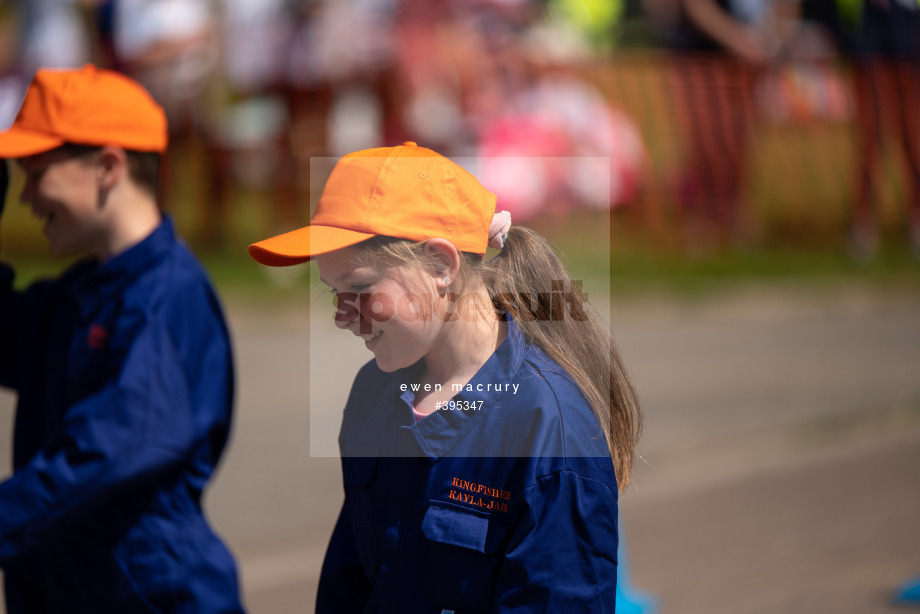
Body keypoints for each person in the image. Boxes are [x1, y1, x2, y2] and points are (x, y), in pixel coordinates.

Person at [248, 140, 642, 613]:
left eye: (359, 288)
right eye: (333, 291)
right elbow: (351, 582)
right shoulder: (375, 392)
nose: (341, 315)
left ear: (441, 265)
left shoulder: (548, 424)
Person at [0, 65, 244, 613]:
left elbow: (100, 455)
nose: (26, 198)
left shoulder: (166, 299)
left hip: (149, 598)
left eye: (35, 173)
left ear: (107, 166)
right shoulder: (80, 293)